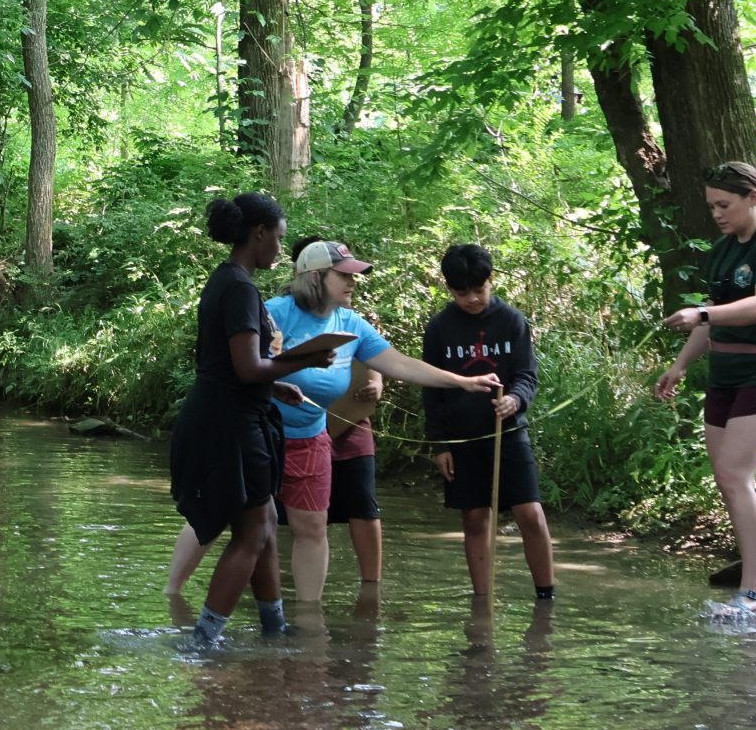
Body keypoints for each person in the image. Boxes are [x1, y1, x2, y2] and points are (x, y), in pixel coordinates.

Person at [269, 239, 501, 604]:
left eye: (354, 276)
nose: (353, 283)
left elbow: (400, 364)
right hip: (259, 435)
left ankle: (309, 621)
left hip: (312, 437)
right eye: (343, 276)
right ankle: (185, 602)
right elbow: (241, 365)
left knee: (312, 528)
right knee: (239, 521)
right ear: (314, 278)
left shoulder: (351, 322)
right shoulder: (274, 312)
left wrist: (463, 381)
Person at [656, 162, 756, 616]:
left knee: (735, 477)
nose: (717, 213)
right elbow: (716, 314)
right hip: (725, 375)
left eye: (725, 205)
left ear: (753, 198)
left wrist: (703, 315)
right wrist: (680, 365)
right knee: (729, 482)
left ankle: (753, 592)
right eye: (711, 206)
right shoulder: (722, 250)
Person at [167, 192, 315, 649]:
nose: (279, 248)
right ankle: (202, 640)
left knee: (265, 522)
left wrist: (275, 387)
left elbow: (232, 367)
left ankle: (274, 627)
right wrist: (307, 359)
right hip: (228, 425)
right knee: (253, 532)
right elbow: (248, 368)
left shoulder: (228, 281)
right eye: (278, 238)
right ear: (259, 233)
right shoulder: (239, 288)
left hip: (228, 414)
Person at [422, 243, 557, 602]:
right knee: (475, 518)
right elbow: (432, 389)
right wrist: (440, 444)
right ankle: (482, 600)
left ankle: (546, 595)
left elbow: (527, 375)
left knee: (530, 513)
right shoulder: (439, 329)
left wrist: (516, 399)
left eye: (479, 290)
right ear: (448, 288)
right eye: (461, 292)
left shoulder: (511, 321)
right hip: (462, 438)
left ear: (491, 281)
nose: (472, 299)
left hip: (509, 432)